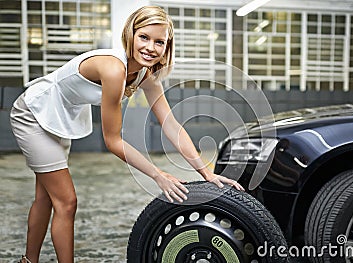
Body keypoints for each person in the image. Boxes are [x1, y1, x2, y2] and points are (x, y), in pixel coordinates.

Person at [10, 5, 244, 263]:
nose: (150, 48)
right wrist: (158, 174)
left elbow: (171, 125)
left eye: (159, 42)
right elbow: (113, 140)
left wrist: (206, 172)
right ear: (130, 34)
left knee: (46, 198)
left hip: (62, 120)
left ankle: (27, 261)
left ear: (167, 47)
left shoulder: (146, 74)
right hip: (34, 113)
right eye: (144, 37)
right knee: (66, 202)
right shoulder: (114, 70)